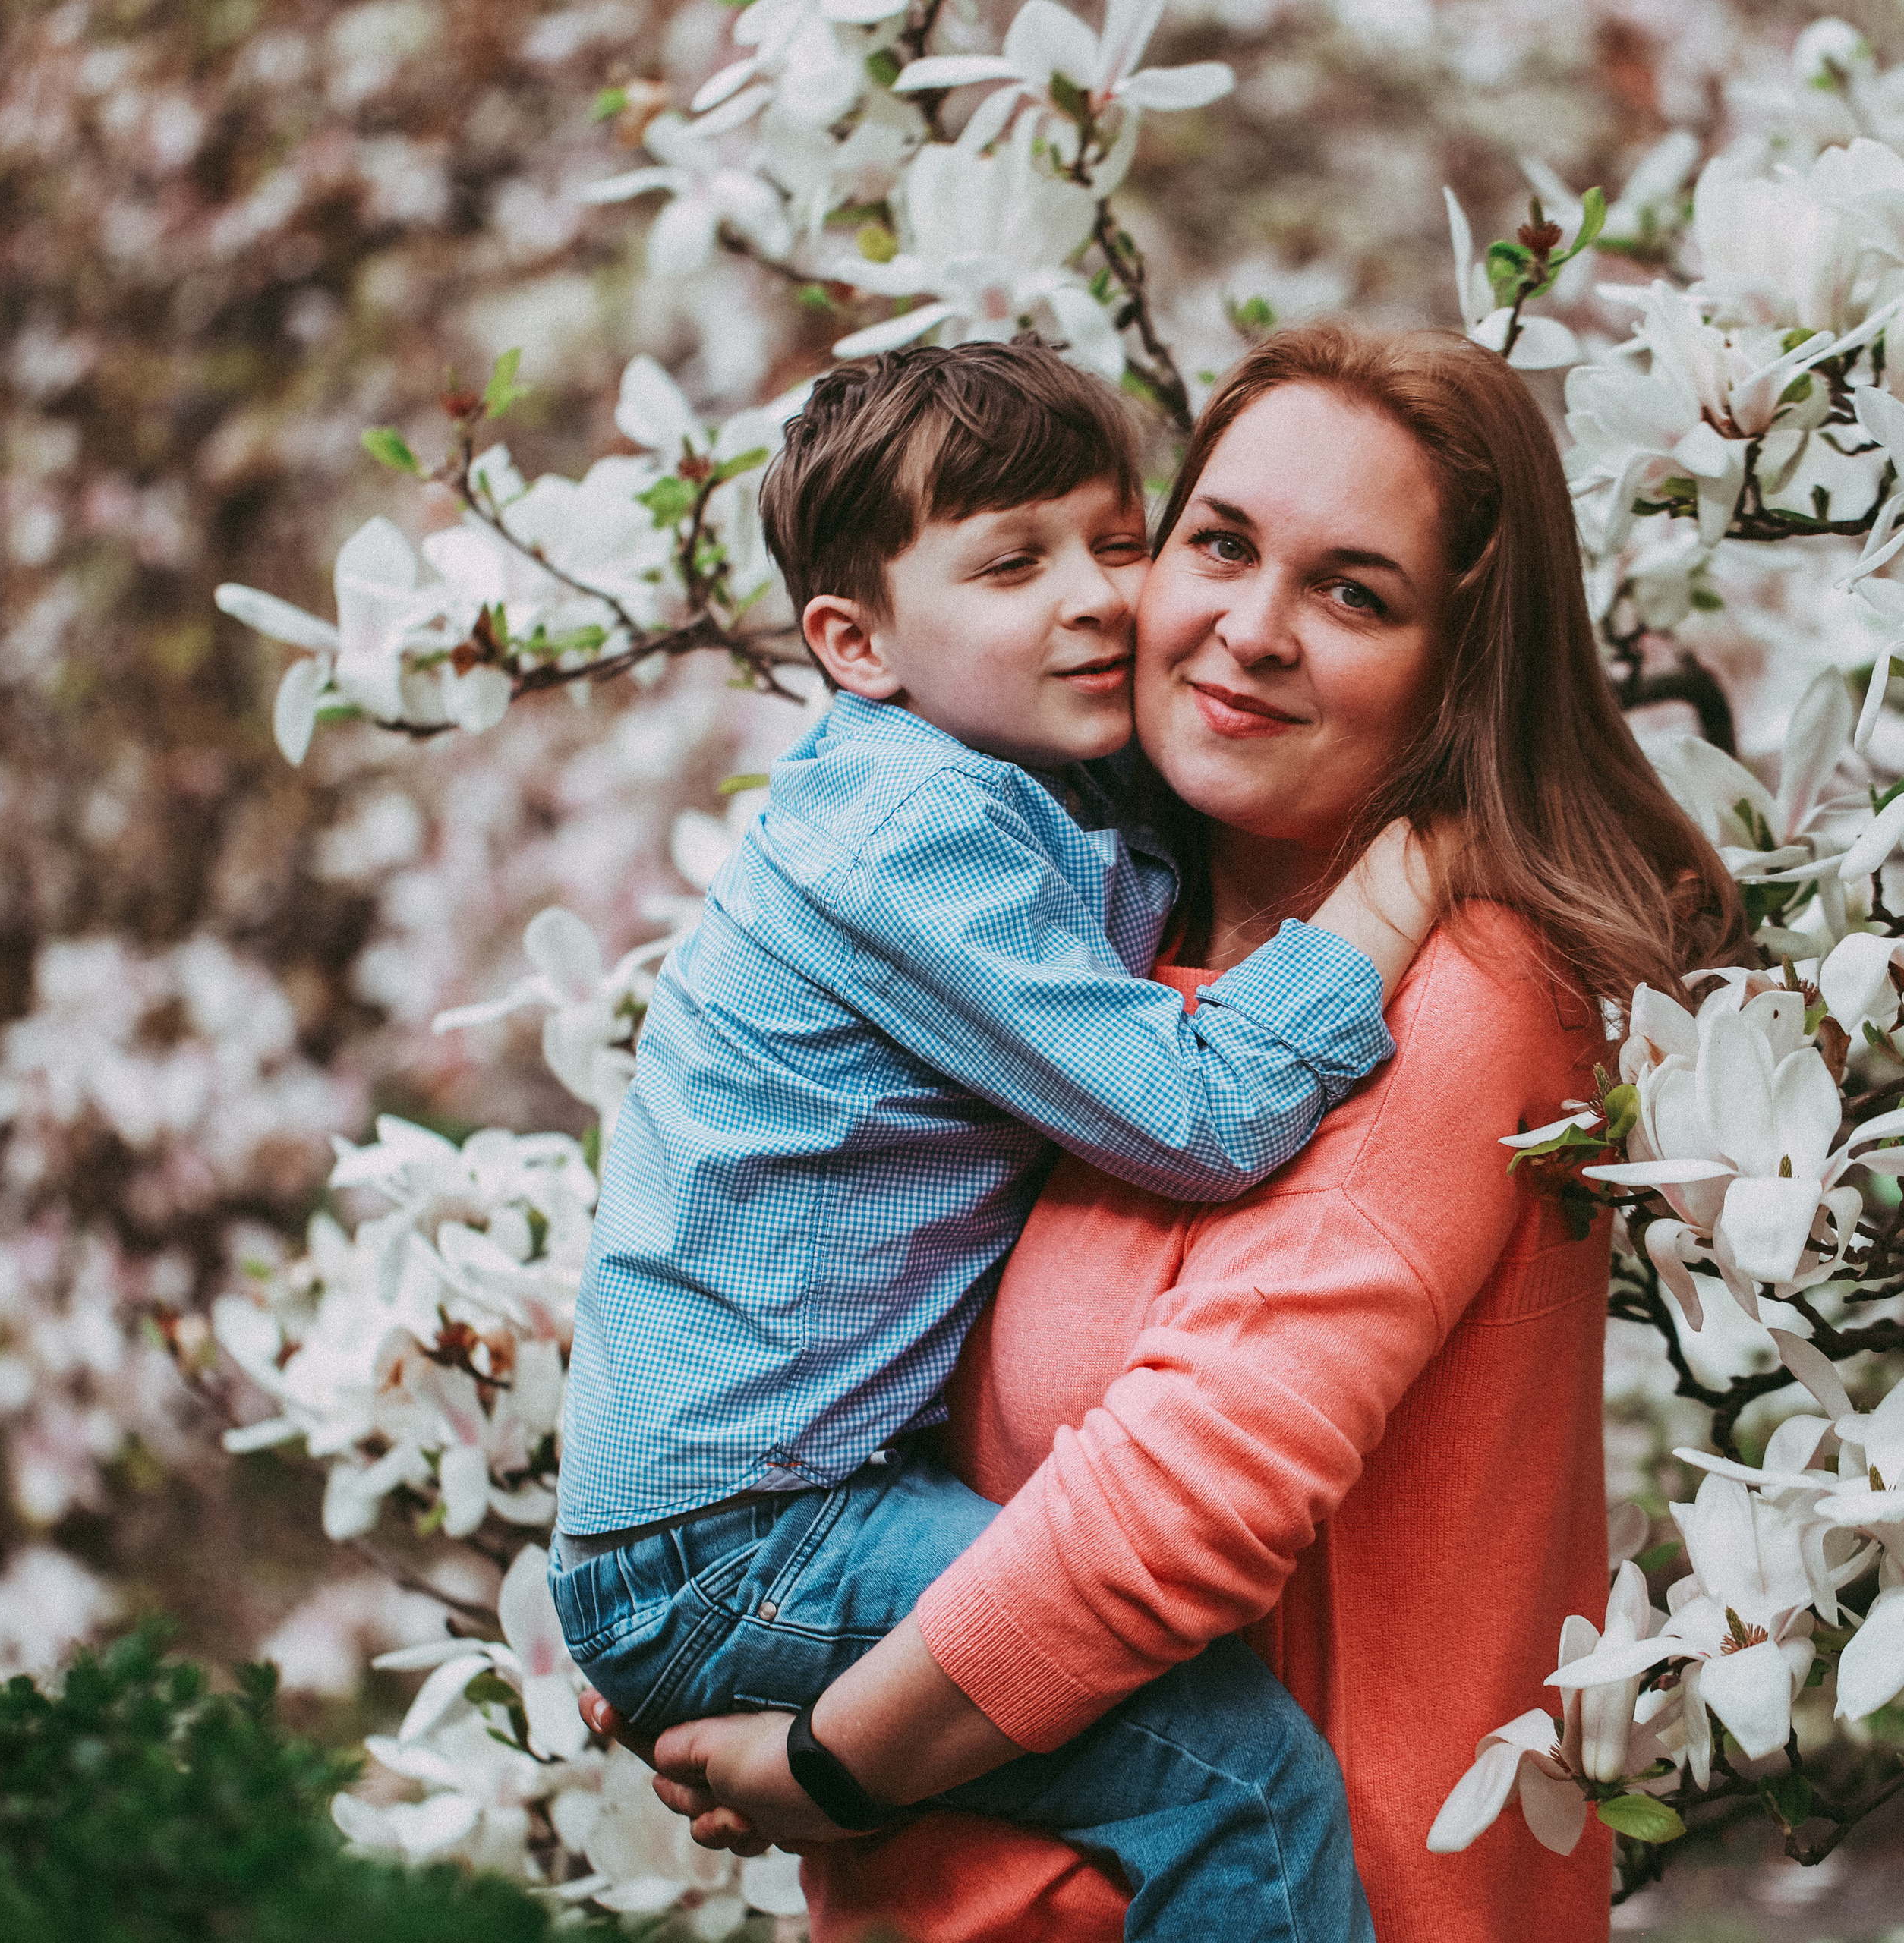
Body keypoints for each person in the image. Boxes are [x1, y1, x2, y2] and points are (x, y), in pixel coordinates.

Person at [620, 322, 1750, 1943]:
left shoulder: (1456, 998)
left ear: (1457, 665)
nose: (1249, 628)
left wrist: (829, 1755)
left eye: (1353, 593)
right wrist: (727, 1617)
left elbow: (1175, 1502)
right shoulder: (1074, 959)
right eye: (1215, 545)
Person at [552, 339, 1448, 1938]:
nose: (1099, 596)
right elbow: (1199, 1114)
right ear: (857, 641)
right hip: (739, 1537)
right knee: (1240, 1780)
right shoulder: (911, 830)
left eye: (1119, 537)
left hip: (753, 1511)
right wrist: (1399, 887)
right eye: (1013, 563)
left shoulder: (1027, 775)